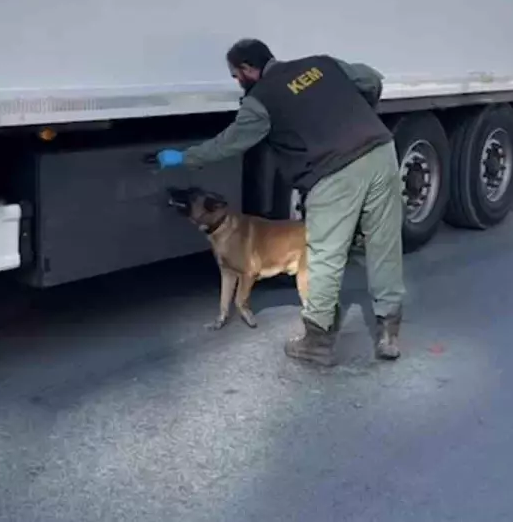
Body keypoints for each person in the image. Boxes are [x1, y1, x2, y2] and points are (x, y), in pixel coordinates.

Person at [155, 38, 407, 366]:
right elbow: (372, 79)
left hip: (333, 172)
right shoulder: (320, 63)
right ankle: (389, 335)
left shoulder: (260, 101)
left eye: (236, 76)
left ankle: (317, 341)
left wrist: (184, 158)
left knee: (324, 254)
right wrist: (361, 114)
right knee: (384, 245)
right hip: (380, 152)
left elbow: (227, 145)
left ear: (248, 69)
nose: (237, 82)